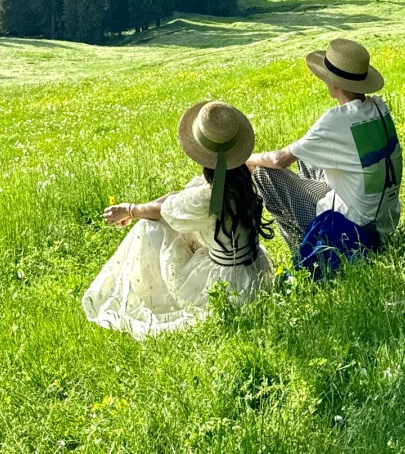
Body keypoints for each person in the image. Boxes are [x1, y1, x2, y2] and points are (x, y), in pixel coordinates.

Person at [82, 99, 274, 338]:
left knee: (148, 227)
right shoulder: (242, 181)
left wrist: (131, 210)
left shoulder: (208, 199)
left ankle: (147, 296)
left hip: (225, 285)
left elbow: (164, 210)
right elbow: (176, 200)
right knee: (169, 220)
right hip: (253, 273)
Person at [246, 37, 402, 261]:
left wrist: (249, 158)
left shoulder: (335, 120)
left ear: (334, 83)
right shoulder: (379, 107)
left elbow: (280, 160)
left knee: (265, 173)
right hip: (386, 223)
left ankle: (308, 252)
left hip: (354, 232)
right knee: (306, 155)